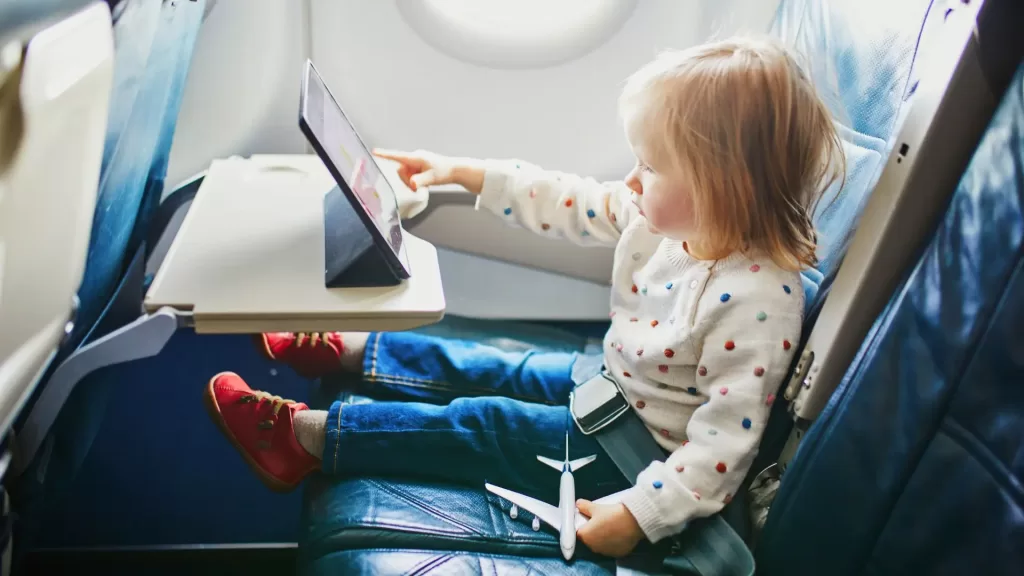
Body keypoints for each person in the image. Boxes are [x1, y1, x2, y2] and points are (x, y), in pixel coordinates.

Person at [204, 36, 844, 558]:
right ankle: (347, 353)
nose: (629, 178)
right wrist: (464, 172)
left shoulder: (759, 300)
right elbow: (567, 199)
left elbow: (720, 448)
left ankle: (305, 439)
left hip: (635, 456)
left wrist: (643, 513)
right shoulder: (667, 217)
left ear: (723, 185)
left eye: (650, 166)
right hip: (612, 386)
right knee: (493, 366)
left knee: (488, 425)